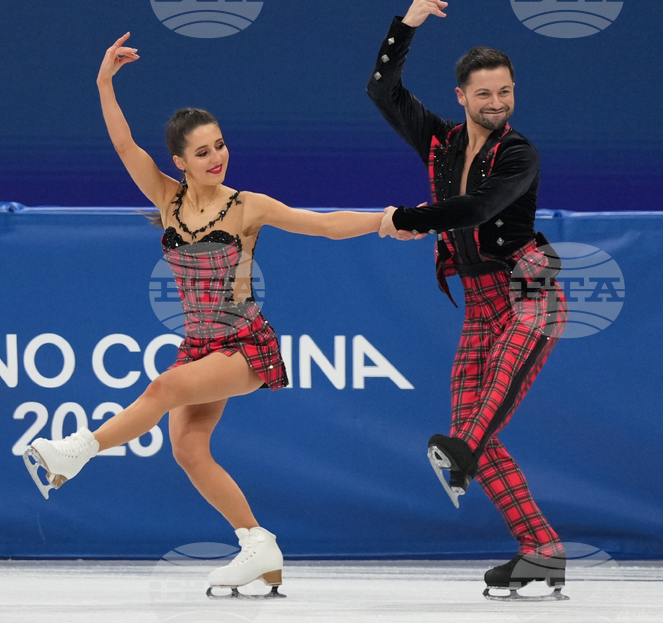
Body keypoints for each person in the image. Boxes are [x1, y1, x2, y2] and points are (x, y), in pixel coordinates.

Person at [22, 32, 411, 598]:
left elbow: (324, 223)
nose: (216, 157)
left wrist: (385, 217)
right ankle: (258, 547)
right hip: (200, 344)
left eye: (220, 145)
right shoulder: (167, 199)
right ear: (180, 162)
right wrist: (104, 82)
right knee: (188, 449)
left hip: (245, 344)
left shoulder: (246, 205)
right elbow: (124, 144)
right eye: (202, 152)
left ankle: (76, 451)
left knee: (161, 387)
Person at [366, 0, 570, 601]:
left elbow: (479, 209)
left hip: (530, 291)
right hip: (482, 305)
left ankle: (466, 459)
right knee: (467, 430)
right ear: (461, 96)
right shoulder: (439, 139)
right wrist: (408, 24)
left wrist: (410, 219)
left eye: (505, 91)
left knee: (469, 436)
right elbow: (382, 89)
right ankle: (542, 550)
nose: (497, 101)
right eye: (484, 93)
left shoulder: (520, 154)